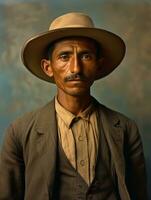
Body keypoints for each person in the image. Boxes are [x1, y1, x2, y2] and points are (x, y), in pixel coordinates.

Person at [0, 12, 148, 200]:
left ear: (98, 66)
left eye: (86, 56)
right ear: (48, 67)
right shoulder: (19, 132)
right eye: (64, 56)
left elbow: (139, 194)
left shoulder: (126, 128)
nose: (76, 68)